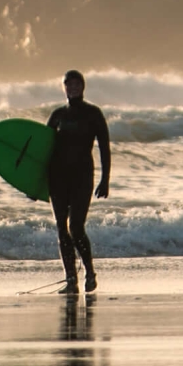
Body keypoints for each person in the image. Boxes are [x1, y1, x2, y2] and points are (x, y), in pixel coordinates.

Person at [47, 69, 113, 294]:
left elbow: (104, 147)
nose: (72, 88)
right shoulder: (57, 116)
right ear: (64, 88)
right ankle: (70, 279)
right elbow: (42, 151)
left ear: (83, 87)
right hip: (57, 179)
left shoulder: (93, 114)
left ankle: (89, 271)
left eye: (76, 84)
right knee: (61, 230)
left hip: (82, 177)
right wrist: (32, 183)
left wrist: (105, 179)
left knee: (75, 226)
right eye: (68, 84)